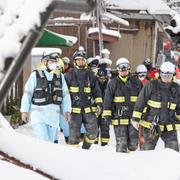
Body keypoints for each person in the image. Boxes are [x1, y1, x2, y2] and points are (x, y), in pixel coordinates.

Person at [21, 52, 71, 143]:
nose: (53, 64)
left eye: (55, 62)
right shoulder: (35, 75)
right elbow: (27, 93)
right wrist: (24, 111)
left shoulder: (60, 77)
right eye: (51, 62)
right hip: (38, 114)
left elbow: (65, 95)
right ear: (45, 62)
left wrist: (67, 110)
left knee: (50, 143)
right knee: (42, 141)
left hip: (53, 116)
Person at [132, 61, 180, 152]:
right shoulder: (151, 85)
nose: (166, 78)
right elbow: (140, 102)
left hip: (168, 126)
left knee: (173, 151)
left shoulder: (176, 89)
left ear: (173, 75)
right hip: (151, 125)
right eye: (164, 75)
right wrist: (135, 119)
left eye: (168, 75)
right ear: (160, 74)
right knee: (147, 151)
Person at [65, 49, 103, 149]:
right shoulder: (68, 75)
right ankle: (74, 157)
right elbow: (64, 94)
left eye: (83, 59)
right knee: (73, 137)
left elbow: (96, 91)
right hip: (74, 111)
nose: (81, 61)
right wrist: (65, 109)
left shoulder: (90, 74)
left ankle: (85, 149)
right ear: (75, 61)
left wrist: (99, 104)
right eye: (79, 59)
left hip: (88, 110)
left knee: (93, 133)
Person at [103, 57, 142, 153]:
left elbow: (142, 100)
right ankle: (121, 164)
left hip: (133, 119)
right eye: (121, 68)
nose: (123, 70)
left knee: (133, 143)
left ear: (129, 68)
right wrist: (107, 115)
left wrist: (143, 114)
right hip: (118, 119)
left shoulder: (136, 82)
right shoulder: (112, 83)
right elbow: (107, 101)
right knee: (121, 144)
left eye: (126, 68)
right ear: (117, 69)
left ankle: (130, 159)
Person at [95, 68, 110, 146]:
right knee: (94, 128)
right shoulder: (94, 83)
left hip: (105, 109)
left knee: (105, 128)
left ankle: (105, 145)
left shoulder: (110, 85)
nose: (101, 79)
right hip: (96, 109)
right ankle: (94, 144)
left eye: (103, 78)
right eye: (100, 77)